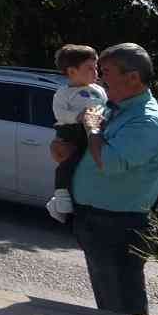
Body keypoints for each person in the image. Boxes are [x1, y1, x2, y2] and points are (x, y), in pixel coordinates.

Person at [51, 43, 158, 315]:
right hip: (98, 220)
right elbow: (87, 147)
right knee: (110, 300)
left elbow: (108, 161)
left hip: (118, 225)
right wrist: (62, 148)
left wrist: (92, 128)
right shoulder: (115, 107)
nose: (101, 78)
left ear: (132, 78)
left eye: (106, 72)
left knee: (122, 307)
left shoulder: (146, 121)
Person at [46, 44, 109, 222]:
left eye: (95, 67)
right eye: (89, 68)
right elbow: (60, 114)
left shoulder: (99, 90)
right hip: (72, 133)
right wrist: (78, 116)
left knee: (89, 164)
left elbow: (106, 107)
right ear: (72, 72)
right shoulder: (63, 94)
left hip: (95, 130)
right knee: (70, 163)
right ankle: (61, 198)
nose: (95, 72)